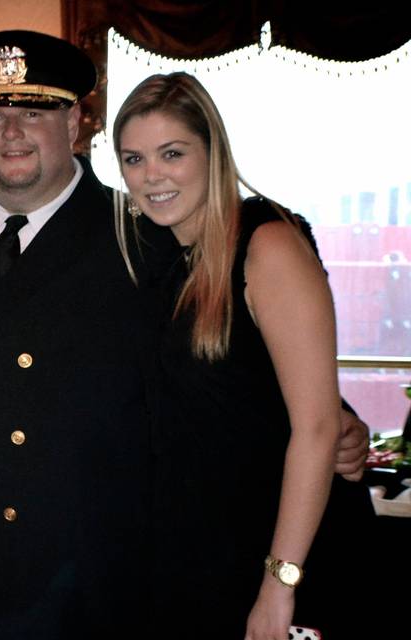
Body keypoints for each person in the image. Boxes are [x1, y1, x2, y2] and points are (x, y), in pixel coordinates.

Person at [0, 31, 371, 639]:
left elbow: (230, 355)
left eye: (34, 112)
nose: (11, 132)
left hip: (83, 576)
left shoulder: (141, 234)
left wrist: (336, 417)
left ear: (73, 126)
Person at [112, 71, 373, 638]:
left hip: (282, 553)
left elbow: (318, 426)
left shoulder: (266, 243)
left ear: (214, 152)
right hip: (200, 555)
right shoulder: (155, 258)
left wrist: (280, 586)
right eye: (133, 159)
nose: (151, 175)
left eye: (172, 153)